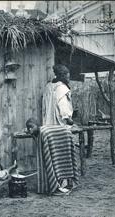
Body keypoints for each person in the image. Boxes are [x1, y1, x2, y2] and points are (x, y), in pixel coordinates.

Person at [38, 64, 79, 196]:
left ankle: (51, 182)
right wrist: (70, 120)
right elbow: (64, 110)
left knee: (51, 155)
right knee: (62, 155)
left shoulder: (48, 87)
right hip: (59, 128)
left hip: (48, 127)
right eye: (67, 75)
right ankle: (63, 184)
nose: (69, 77)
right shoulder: (62, 88)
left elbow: (44, 107)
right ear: (63, 76)